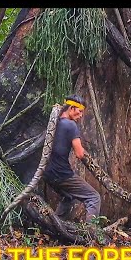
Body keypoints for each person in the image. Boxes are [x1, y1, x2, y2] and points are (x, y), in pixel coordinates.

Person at [43, 94, 101, 223]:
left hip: (47, 173)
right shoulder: (70, 125)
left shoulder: (55, 121)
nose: (80, 116)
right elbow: (79, 154)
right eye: (79, 112)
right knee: (94, 197)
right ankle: (91, 232)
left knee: (68, 196)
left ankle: (57, 227)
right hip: (61, 173)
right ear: (71, 108)